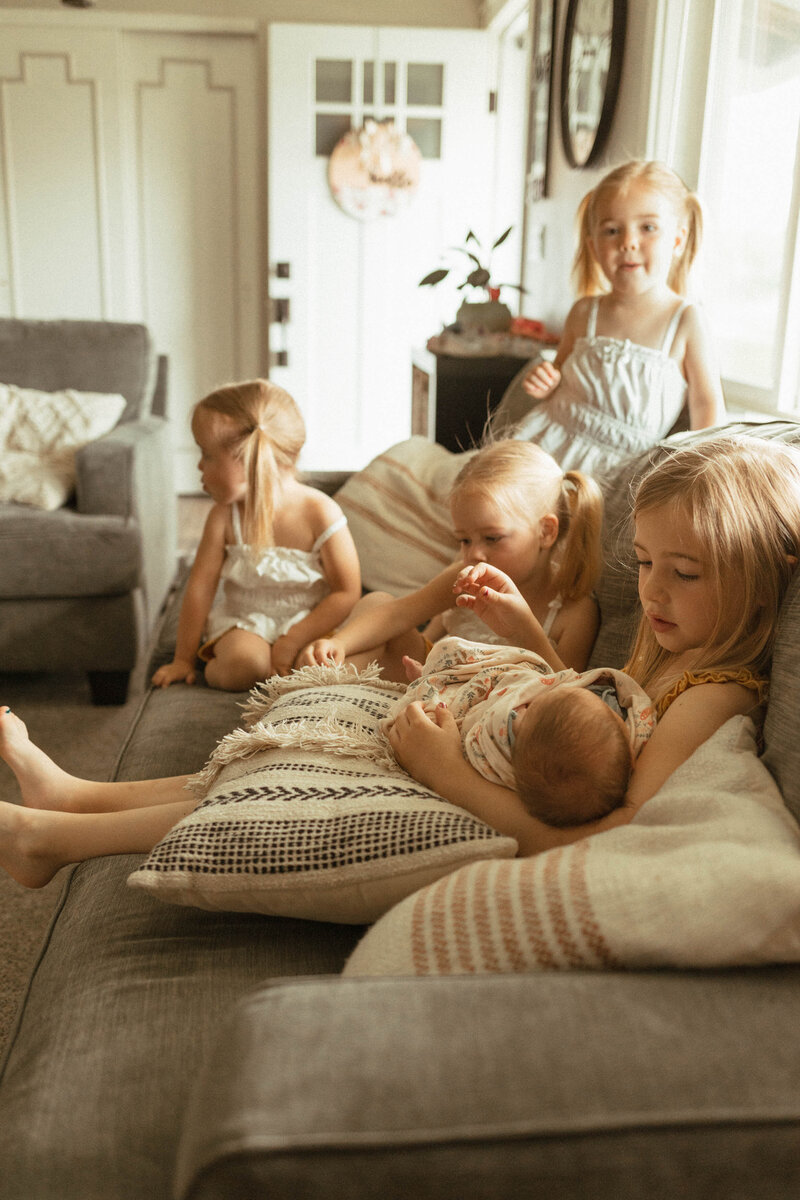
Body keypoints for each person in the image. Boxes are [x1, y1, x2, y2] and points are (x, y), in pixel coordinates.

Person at [1, 436, 798, 885]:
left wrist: (445, 766)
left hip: (482, 796)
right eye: (645, 563)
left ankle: (55, 838)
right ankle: (78, 798)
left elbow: (612, 828)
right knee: (288, 761)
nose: (652, 591)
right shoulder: (674, 640)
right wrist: (515, 647)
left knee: (297, 792)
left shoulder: (715, 692)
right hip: (489, 758)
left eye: (682, 573)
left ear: (757, 588)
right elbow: (577, 709)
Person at [296, 439, 605, 680]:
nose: (473, 554)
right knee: (376, 603)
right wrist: (341, 643)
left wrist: (526, 628)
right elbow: (398, 615)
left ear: (546, 532)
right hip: (426, 681)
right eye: (464, 539)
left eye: (492, 538)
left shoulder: (575, 610)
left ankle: (324, 695)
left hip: (493, 710)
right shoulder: (465, 576)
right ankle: (321, 693)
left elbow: (566, 692)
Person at [512, 160, 725, 477]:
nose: (628, 242)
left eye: (648, 228)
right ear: (594, 247)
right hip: (549, 450)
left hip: (620, 475)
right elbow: (558, 374)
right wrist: (546, 382)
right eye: (612, 230)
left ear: (678, 241)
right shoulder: (585, 312)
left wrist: (701, 474)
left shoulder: (686, 321)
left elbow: (707, 406)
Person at [151, 379, 361, 691]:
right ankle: (260, 672)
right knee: (247, 665)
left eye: (206, 455)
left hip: (309, 625)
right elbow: (200, 588)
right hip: (245, 624)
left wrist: (294, 639)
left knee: (316, 666)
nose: (198, 465)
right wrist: (183, 659)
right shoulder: (225, 517)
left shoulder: (321, 512)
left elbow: (346, 592)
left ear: (249, 460)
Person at [386, 636, 655, 827]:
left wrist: (445, 767)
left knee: (447, 700)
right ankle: (441, 680)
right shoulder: (612, 729)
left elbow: (482, 716)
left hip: (476, 705)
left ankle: (438, 682)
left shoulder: (500, 739)